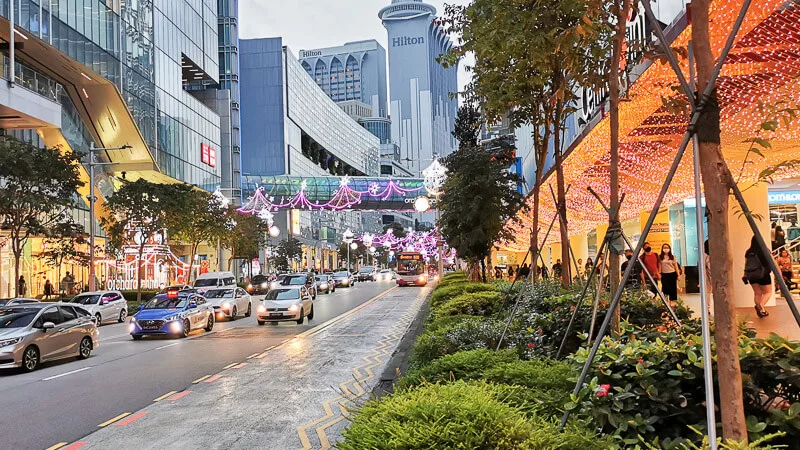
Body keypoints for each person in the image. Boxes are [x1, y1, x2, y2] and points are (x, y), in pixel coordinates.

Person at [744, 235, 772, 318]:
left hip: (751, 274)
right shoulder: (765, 251)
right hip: (763, 274)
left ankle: (761, 309)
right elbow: (772, 262)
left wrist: (745, 275)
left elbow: (746, 264)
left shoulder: (748, 252)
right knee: (768, 292)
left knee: (757, 293)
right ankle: (761, 306)